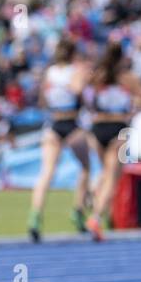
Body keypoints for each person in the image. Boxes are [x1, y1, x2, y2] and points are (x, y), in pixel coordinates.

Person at [83, 40, 141, 241]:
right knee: (112, 178)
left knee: (105, 172)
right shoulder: (129, 78)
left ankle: (93, 191)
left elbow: (86, 97)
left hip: (97, 127)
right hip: (117, 129)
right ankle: (95, 218)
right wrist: (131, 104)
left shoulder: (98, 76)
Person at [28, 39, 92, 242]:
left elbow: (42, 101)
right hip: (71, 123)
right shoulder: (76, 71)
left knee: (46, 172)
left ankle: (35, 217)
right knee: (85, 168)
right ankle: (78, 212)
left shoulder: (50, 72)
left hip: (54, 123)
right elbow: (80, 93)